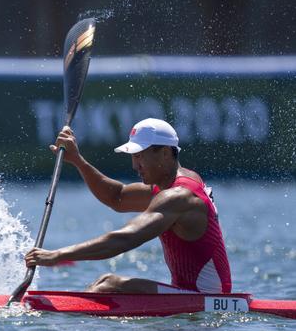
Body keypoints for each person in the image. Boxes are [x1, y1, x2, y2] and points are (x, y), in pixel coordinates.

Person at [23, 118, 231, 294]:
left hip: (205, 298)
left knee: (109, 285)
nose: (134, 165)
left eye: (139, 156)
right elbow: (117, 197)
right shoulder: (169, 185)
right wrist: (78, 161)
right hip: (187, 293)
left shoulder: (179, 196)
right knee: (106, 282)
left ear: (166, 153)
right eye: (133, 156)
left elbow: (126, 239)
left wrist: (57, 255)